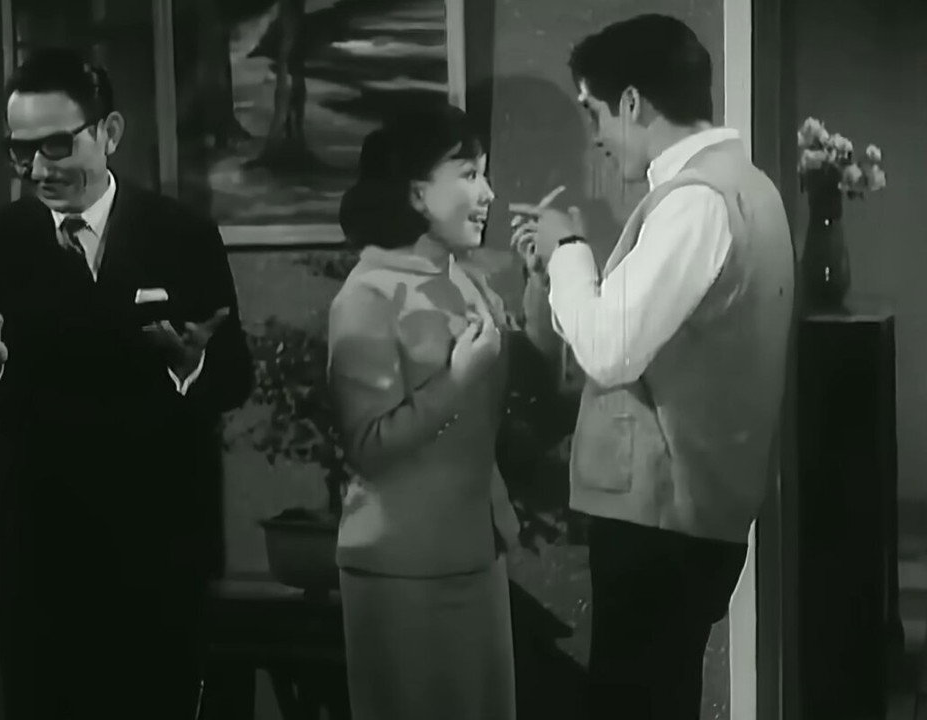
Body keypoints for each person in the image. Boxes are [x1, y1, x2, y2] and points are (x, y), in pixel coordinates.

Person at [0, 48, 253, 718]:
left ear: (109, 132)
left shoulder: (183, 237)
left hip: (160, 553)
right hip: (39, 561)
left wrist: (188, 365)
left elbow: (233, 378)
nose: (38, 169)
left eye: (57, 145)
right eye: (21, 151)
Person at [509, 14, 794, 719]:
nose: (597, 136)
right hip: (692, 514)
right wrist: (557, 275)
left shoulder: (696, 201)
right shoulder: (747, 188)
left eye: (595, 111)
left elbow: (610, 350)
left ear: (633, 102)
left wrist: (569, 249)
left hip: (662, 521)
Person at [327, 101, 555, 720]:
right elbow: (369, 446)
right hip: (402, 567)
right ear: (416, 192)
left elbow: (533, 386)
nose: (488, 194)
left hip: (475, 553)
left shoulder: (466, 280)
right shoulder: (367, 295)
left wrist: (540, 282)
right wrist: (455, 381)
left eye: (485, 174)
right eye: (470, 174)